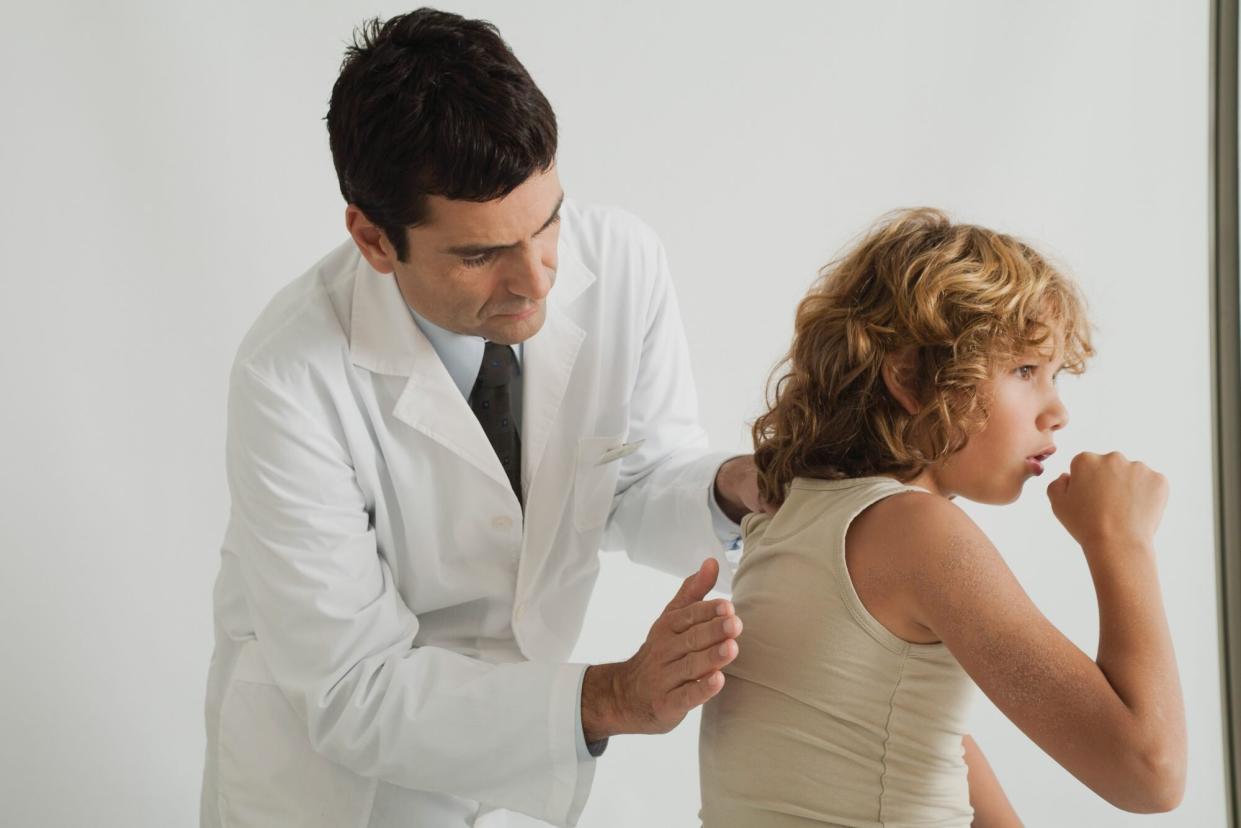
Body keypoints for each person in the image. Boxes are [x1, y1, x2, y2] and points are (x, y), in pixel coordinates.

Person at [200, 9, 761, 828]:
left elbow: (632, 479)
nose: (535, 280)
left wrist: (734, 489)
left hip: (515, 765)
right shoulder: (288, 377)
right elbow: (352, 687)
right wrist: (607, 697)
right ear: (372, 237)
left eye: (548, 223)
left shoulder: (626, 262)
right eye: (478, 254)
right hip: (337, 791)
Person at [698, 208, 1186, 826]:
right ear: (911, 377)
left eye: (1054, 375)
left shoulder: (789, 518)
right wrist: (1121, 539)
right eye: (1025, 370)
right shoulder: (915, 532)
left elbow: (916, 733)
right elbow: (1151, 776)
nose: (1057, 409)